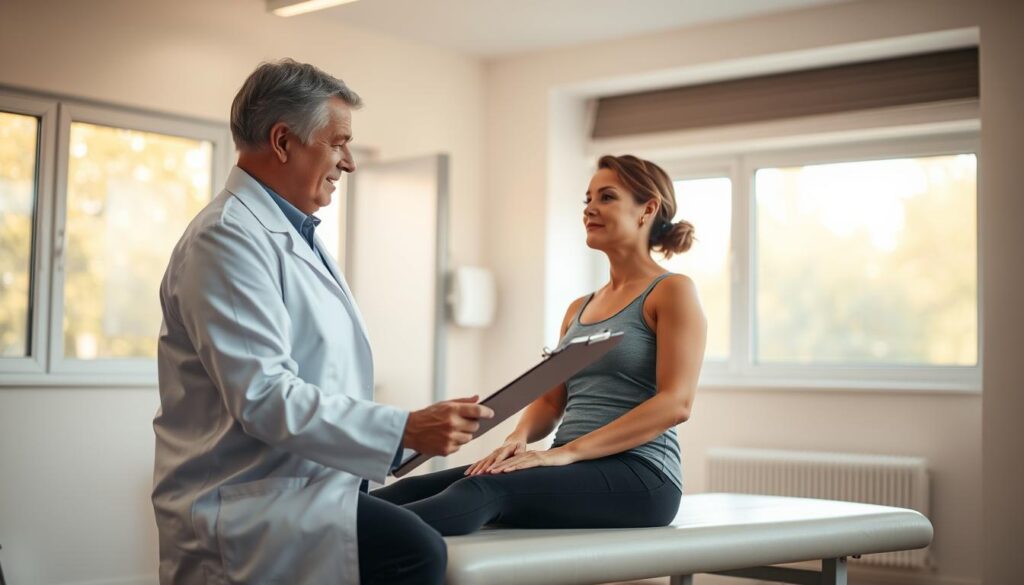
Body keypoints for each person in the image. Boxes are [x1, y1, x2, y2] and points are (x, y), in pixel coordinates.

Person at [151, 59, 493, 585]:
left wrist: (411, 435)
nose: (348, 162)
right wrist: (404, 427)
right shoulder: (224, 239)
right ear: (283, 141)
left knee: (456, 494)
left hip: (307, 488)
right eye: (337, 143)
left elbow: (315, 377)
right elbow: (263, 396)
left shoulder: (292, 232)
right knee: (416, 550)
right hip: (249, 505)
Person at [372, 154, 707, 535]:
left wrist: (564, 453)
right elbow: (551, 401)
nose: (590, 209)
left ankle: (349, 551)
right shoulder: (579, 308)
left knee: (485, 490)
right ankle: (318, 539)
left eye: (607, 197)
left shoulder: (672, 291)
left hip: (643, 476)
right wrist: (519, 438)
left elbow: (675, 404)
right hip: (574, 465)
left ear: (648, 209)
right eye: (588, 200)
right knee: (414, 487)